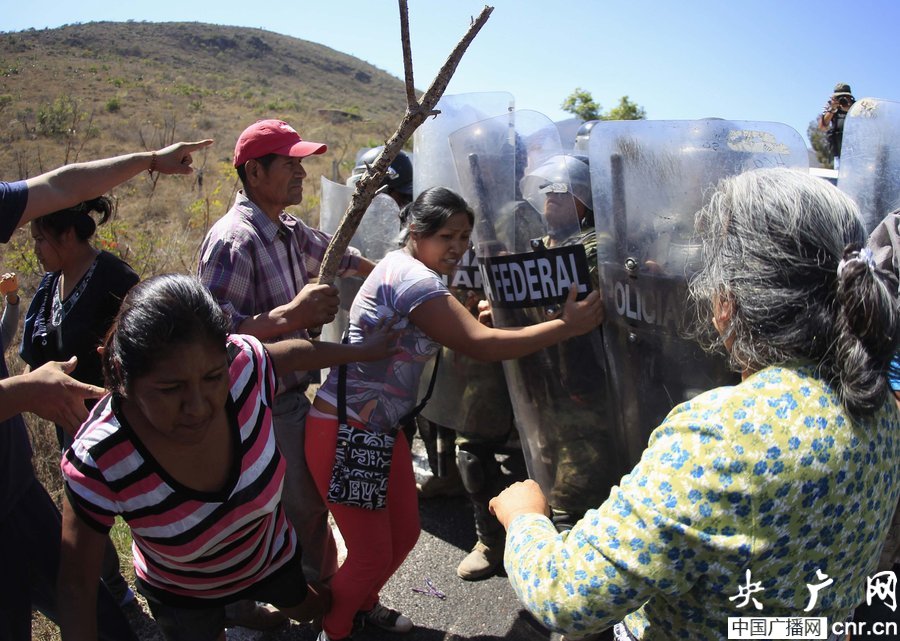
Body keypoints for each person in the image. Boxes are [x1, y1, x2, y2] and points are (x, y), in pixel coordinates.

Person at [490, 167, 900, 640]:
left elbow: (567, 596)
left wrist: (524, 518)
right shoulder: (878, 405)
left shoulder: (723, 435)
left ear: (729, 300)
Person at [305, 186, 602, 641]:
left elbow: (453, 331)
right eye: (446, 236)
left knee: (404, 534)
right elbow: (480, 346)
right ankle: (335, 630)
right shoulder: (414, 279)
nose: (458, 248)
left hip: (380, 429)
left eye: (464, 237)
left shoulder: (408, 268)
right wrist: (566, 324)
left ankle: (363, 605)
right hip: (347, 431)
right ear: (416, 231)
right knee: (369, 554)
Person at [56, 274, 400, 641]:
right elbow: (77, 589)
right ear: (123, 375)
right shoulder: (99, 459)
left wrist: (362, 352)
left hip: (271, 559)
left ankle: (270, 613)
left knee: (310, 607)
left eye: (212, 377)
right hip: (182, 597)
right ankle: (248, 615)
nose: (198, 407)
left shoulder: (243, 368)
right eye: (170, 389)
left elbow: (294, 355)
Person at [0, 141, 209, 641]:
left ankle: (187, 599)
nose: (34, 250)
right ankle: (121, 595)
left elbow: (62, 183)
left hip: (101, 439)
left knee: (138, 524)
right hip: (68, 439)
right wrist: (29, 388)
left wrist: (150, 160)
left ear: (68, 234)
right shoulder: (49, 287)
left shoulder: (113, 278)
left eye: (40, 239)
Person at [197, 119, 376, 626]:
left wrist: (399, 276)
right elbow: (210, 341)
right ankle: (316, 609)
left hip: (289, 398)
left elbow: (343, 258)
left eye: (302, 163)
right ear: (255, 172)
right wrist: (290, 316)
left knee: (303, 507)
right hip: (255, 405)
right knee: (297, 507)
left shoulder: (289, 231)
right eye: (290, 163)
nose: (301, 172)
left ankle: (311, 601)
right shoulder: (233, 240)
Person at [817, 82, 856, 168]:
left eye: (845, 96)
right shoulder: (830, 106)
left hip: (855, 152)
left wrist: (850, 109)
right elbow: (822, 127)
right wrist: (832, 109)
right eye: (839, 97)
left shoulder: (856, 107)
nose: (842, 99)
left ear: (850, 97)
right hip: (838, 151)